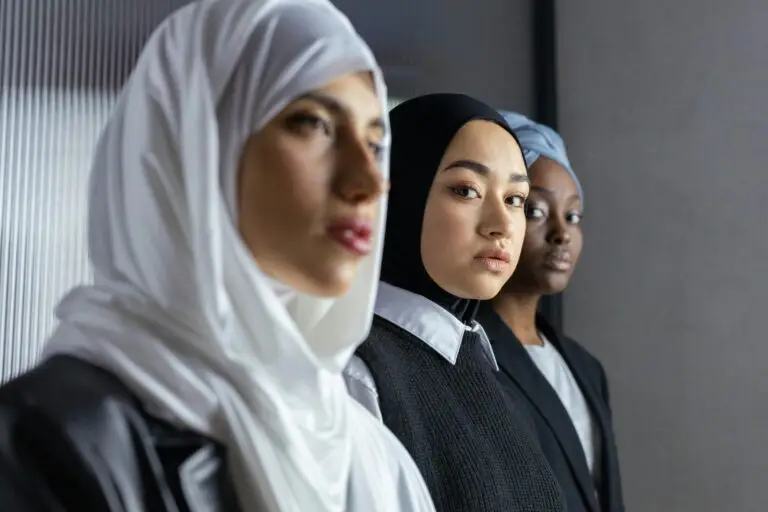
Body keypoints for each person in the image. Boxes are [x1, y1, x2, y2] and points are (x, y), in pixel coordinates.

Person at [0, 1, 437, 511]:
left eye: (375, 142)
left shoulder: (371, 457)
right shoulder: (49, 440)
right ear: (192, 144)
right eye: (313, 124)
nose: (369, 182)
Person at [344, 93, 565, 512]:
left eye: (515, 200)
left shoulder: (479, 362)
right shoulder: (359, 373)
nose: (501, 226)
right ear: (401, 192)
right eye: (466, 190)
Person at [477, 112, 625, 512]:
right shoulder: (468, 356)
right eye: (535, 210)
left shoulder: (584, 367)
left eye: (573, 216)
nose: (562, 233)